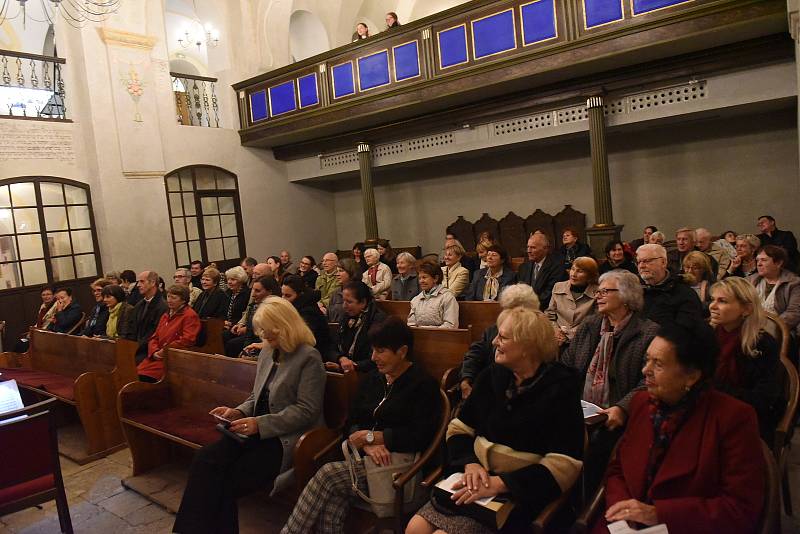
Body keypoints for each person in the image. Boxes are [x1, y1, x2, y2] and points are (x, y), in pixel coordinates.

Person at [408, 306, 584, 534]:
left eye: (503, 337)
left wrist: (501, 484)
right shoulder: (493, 375)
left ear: (527, 347)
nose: (494, 343)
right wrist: (469, 462)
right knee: (414, 528)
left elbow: (565, 464)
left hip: (521, 492)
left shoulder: (561, 388)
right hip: (474, 477)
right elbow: (459, 428)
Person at [592, 323, 765, 534]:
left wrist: (658, 514)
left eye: (659, 364)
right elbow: (618, 468)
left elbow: (740, 508)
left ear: (692, 376)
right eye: (647, 359)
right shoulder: (641, 403)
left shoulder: (733, 418)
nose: (645, 370)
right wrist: (622, 510)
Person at [173, 297, 326, 534]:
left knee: (225, 482)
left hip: (284, 438)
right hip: (252, 431)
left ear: (284, 327)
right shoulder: (268, 352)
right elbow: (256, 396)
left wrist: (259, 424)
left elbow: (306, 410)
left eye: (268, 331)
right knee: (205, 459)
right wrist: (237, 411)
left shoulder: (308, 357)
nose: (264, 336)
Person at [282, 317, 440, 534]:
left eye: (381, 351)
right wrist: (366, 444)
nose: (373, 357)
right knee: (335, 494)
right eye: (373, 350)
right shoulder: (374, 379)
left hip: (397, 471)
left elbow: (421, 436)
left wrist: (374, 437)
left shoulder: (422, 384)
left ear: (402, 352)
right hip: (364, 461)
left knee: (328, 474)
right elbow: (350, 423)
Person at [561, 270, 659, 489]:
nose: (598, 296)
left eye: (606, 291)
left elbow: (648, 381)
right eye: (598, 291)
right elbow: (567, 364)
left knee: (597, 451)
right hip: (581, 410)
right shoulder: (590, 326)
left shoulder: (648, 333)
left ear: (626, 296)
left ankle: (590, 505)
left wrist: (622, 408)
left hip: (618, 417)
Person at [709, 277, 782, 439]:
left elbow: (764, 397)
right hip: (707, 409)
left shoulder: (762, 344)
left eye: (722, 301)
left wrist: (715, 392)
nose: (712, 306)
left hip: (745, 416)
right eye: (712, 300)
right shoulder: (706, 335)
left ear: (746, 309)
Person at [458, 284, 539, 400]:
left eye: (514, 311)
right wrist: (466, 379)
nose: (494, 342)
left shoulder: (534, 335)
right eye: (506, 309)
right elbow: (474, 354)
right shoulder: (492, 330)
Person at [137, 285, 201, 383]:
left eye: (174, 298)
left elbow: (187, 340)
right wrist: (154, 352)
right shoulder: (166, 315)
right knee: (132, 374)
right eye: (168, 297)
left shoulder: (189, 315)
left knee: (144, 376)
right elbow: (154, 337)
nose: (169, 300)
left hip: (173, 358)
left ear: (183, 300)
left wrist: (164, 351)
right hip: (157, 356)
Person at [637, 244, 705, 329]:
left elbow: (687, 331)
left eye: (647, 261)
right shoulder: (635, 291)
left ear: (663, 262)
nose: (641, 266)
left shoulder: (684, 294)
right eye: (639, 262)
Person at [332, 281, 387, 373]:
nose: (344, 306)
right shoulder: (346, 316)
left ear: (363, 302)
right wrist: (340, 358)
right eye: (343, 301)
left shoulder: (378, 320)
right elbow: (334, 344)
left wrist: (354, 365)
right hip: (345, 366)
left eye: (349, 302)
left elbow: (375, 358)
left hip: (366, 372)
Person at [748, 245, 800, 337]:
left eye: (764, 260)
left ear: (778, 263)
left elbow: (793, 313)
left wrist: (767, 328)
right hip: (750, 328)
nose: (759, 264)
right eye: (757, 260)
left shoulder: (794, 283)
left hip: (779, 331)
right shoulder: (750, 280)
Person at [547, 257, 598, 347]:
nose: (573, 274)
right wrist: (556, 331)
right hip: (557, 339)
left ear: (590, 275)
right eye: (572, 269)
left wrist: (568, 335)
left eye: (580, 271)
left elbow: (595, 322)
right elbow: (550, 315)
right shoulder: (558, 286)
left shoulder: (598, 292)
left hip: (583, 340)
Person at [225, 276, 280, 357]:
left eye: (257, 291)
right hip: (252, 342)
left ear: (270, 292)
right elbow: (249, 334)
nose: (253, 294)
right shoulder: (253, 306)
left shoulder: (275, 309)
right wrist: (245, 351)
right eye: (253, 290)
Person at [281, 275, 331, 357]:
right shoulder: (295, 307)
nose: (283, 299)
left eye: (288, 296)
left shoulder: (309, 312)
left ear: (300, 294)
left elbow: (302, 340)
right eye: (282, 295)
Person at [518, 231, 567, 310]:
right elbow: (520, 289)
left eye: (533, 247)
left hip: (545, 310)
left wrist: (529, 305)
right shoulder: (524, 267)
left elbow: (549, 294)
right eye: (528, 247)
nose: (528, 251)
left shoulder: (557, 267)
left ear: (545, 249)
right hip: (525, 309)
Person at [408, 261, 459, 328]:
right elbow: (411, 324)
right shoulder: (416, 300)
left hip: (441, 337)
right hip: (419, 337)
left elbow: (451, 325)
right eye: (419, 278)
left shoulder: (447, 297)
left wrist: (429, 333)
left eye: (424, 277)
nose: (421, 281)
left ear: (436, 278)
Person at [131, 271, 168, 362]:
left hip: (150, 350)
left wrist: (136, 348)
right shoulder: (139, 305)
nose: (138, 285)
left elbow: (154, 333)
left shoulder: (162, 306)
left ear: (152, 283)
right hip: (138, 346)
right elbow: (133, 328)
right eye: (138, 282)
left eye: (142, 282)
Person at [15, 286, 58, 351]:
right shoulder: (43, 306)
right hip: (38, 332)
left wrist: (35, 333)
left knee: (23, 345)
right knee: (20, 343)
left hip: (47, 334)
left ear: (54, 295)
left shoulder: (56, 306)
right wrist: (32, 330)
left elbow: (49, 324)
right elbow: (39, 322)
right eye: (43, 295)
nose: (46, 297)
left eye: (48, 294)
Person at [327, 259, 358, 324]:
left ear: (351, 272)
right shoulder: (335, 293)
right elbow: (329, 316)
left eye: (341, 271)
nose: (337, 274)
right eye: (337, 271)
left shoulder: (361, 291)